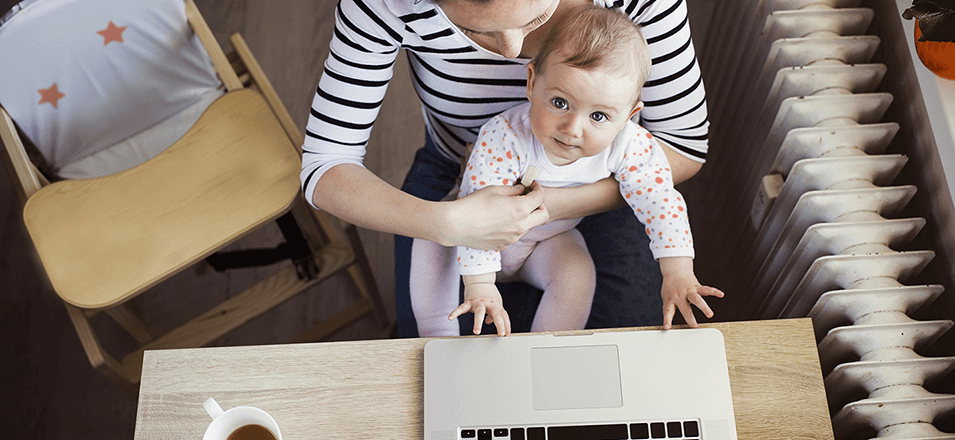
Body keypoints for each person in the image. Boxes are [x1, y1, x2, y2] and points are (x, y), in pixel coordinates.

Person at [301, 0, 711, 337]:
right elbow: (326, 164)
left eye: (536, 19)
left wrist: (550, 205)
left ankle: (543, 360)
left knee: (616, 336)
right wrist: (445, 224)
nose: (513, 52)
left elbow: (674, 166)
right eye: (478, 31)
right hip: (457, 175)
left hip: (599, 188)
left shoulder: (627, 147)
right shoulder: (501, 136)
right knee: (438, 334)